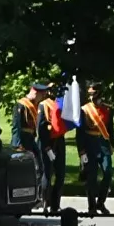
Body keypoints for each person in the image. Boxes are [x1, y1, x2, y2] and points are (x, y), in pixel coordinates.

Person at [78, 83, 114, 214]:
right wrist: (81, 151)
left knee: (108, 172)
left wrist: (112, 145)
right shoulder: (85, 110)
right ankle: (91, 206)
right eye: (89, 94)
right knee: (91, 176)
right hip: (89, 144)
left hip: (103, 144)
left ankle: (101, 202)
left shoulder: (107, 109)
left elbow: (110, 129)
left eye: (93, 94)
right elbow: (80, 132)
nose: (91, 96)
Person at [12, 82, 49, 199]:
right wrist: (18, 144)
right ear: (35, 92)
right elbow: (16, 127)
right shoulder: (21, 104)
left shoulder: (35, 104)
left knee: (39, 166)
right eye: (41, 95)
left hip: (31, 139)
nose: (42, 98)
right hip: (22, 140)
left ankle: (36, 195)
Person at [38, 83, 72, 212]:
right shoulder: (43, 105)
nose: (54, 92)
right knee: (47, 173)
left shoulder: (60, 104)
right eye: (52, 90)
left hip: (59, 141)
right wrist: (46, 146)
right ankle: (45, 202)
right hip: (48, 142)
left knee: (61, 174)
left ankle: (55, 204)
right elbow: (40, 128)